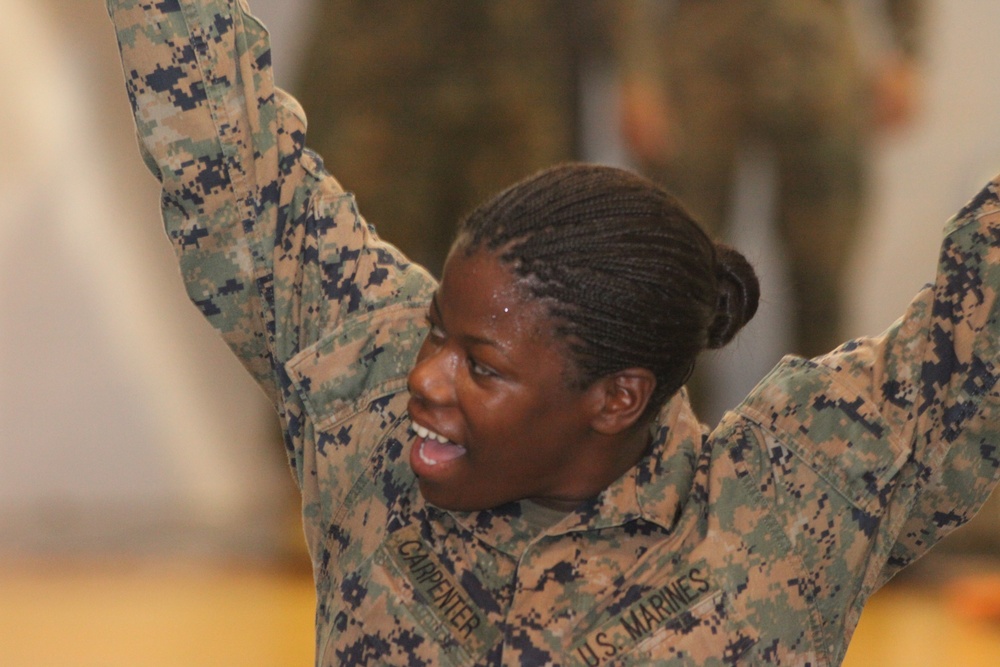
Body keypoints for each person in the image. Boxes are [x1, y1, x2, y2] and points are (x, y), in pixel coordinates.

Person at [107, 0, 1000, 665]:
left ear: (617, 399)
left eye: (483, 367)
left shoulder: (782, 512)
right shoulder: (369, 395)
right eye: (436, 335)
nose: (426, 378)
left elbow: (975, 341)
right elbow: (233, 168)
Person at [618, 0, 923, 360]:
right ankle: (676, 413)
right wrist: (636, 71)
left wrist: (905, 49)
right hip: (701, 64)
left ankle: (822, 410)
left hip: (815, 62)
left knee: (823, 275)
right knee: (684, 272)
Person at [293, 0, 615, 278]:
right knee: (351, 260)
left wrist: (637, 60)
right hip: (385, 59)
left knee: (522, 264)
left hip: (517, 59)